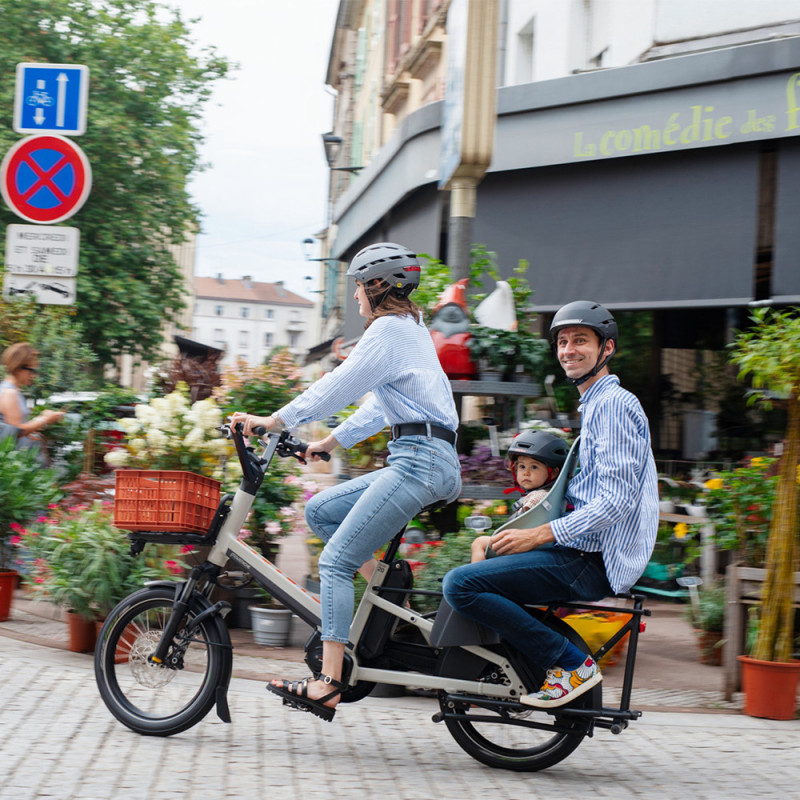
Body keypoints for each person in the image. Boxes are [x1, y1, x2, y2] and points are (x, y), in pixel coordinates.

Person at [230, 242, 462, 721]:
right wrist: (331, 443)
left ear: (378, 287)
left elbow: (337, 385)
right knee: (320, 511)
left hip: (418, 461)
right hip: (422, 455)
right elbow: (382, 404)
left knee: (334, 563)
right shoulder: (409, 331)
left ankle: (329, 682)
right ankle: (383, 581)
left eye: (358, 285)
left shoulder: (389, 332)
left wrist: (274, 420)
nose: (355, 296)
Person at [443, 300, 658, 708]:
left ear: (606, 348)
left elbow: (616, 500)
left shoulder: (613, 405)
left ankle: (569, 664)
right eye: (563, 342)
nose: (569, 350)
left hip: (592, 560)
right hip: (582, 549)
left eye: (581, 341)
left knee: (462, 584)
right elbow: (598, 488)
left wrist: (541, 533)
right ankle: (504, 660)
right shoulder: (595, 404)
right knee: (483, 554)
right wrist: (548, 498)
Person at [470, 430, 568, 563]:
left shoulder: (538, 497)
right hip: (528, 545)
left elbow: (527, 521)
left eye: (534, 467)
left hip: (523, 545)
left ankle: (476, 574)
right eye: (522, 466)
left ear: (554, 472)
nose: (526, 473)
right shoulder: (551, 495)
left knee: (479, 543)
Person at [0, 343, 65, 459]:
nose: (34, 376)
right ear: (18, 368)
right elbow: (16, 432)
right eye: (32, 370)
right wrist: (45, 419)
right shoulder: (10, 393)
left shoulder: (10, 390)